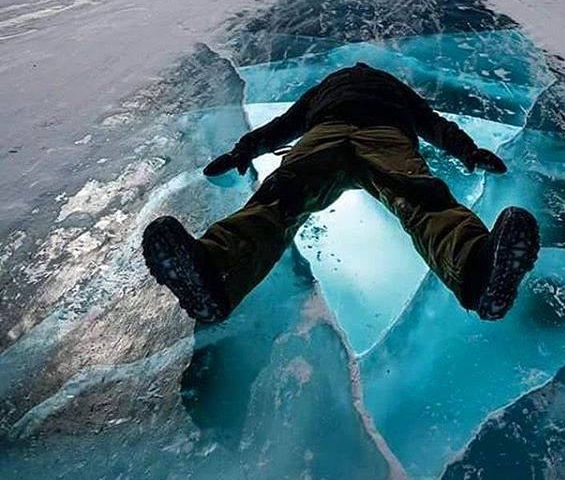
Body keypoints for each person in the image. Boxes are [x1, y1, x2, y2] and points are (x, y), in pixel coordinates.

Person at [142, 62, 540, 323]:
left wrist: (469, 151)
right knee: (414, 198)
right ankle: (211, 275)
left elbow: (432, 124)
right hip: (360, 133)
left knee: (287, 199)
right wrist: (242, 150)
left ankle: (478, 270)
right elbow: (284, 124)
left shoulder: (375, 87)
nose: (359, 69)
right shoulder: (340, 88)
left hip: (347, 133)